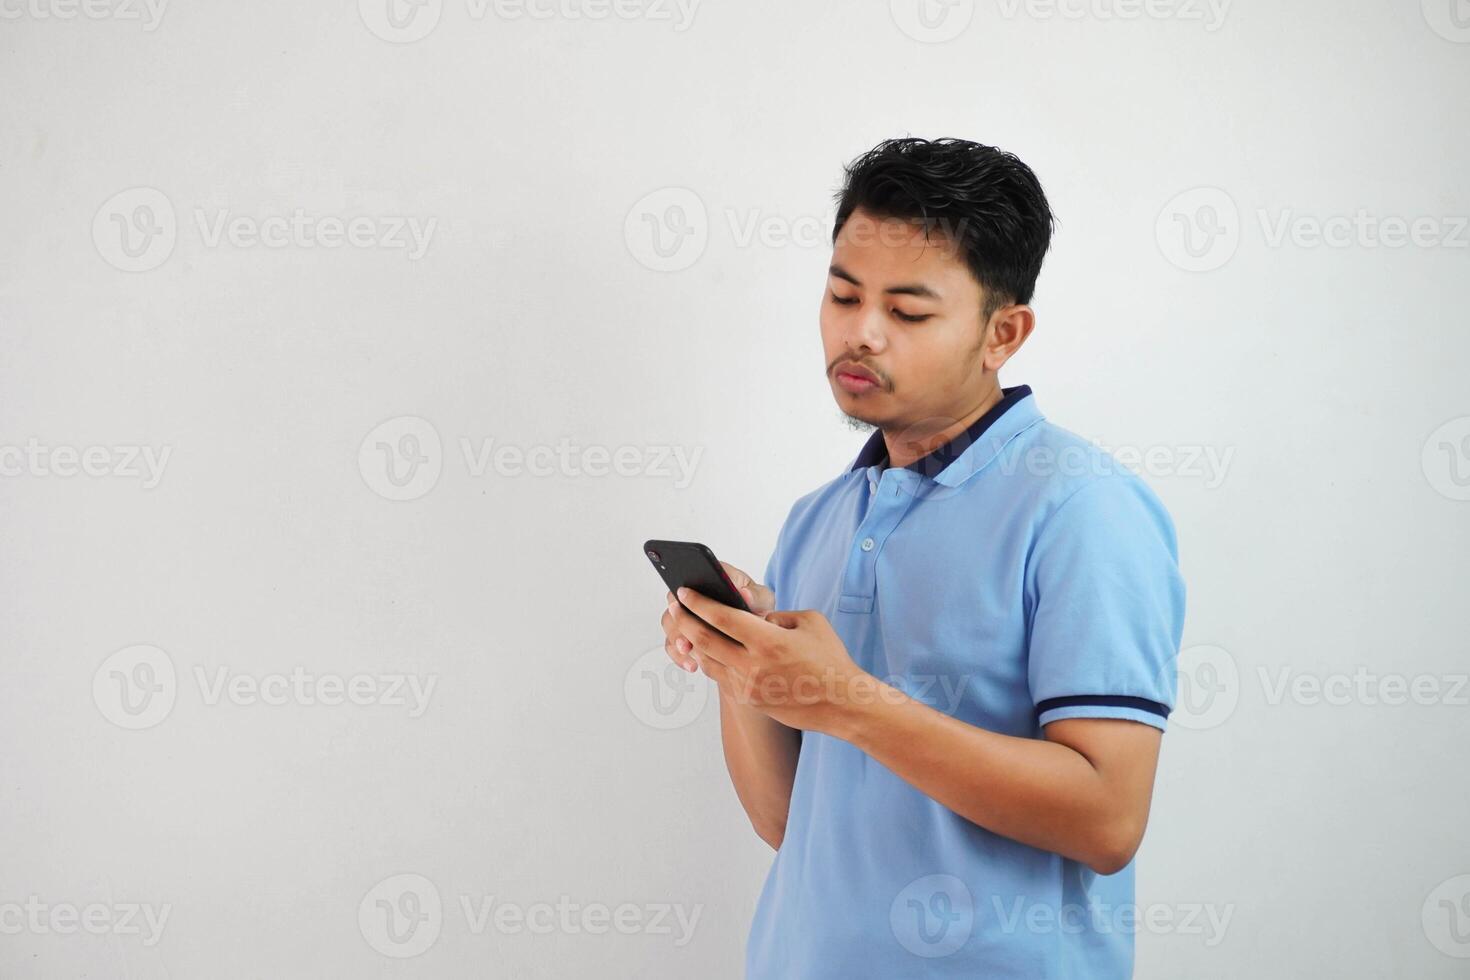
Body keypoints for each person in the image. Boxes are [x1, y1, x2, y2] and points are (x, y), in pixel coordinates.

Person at [660, 136, 1186, 978]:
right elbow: (789, 822)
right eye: (841, 294)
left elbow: (1108, 820)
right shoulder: (818, 518)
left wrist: (845, 701)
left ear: (1002, 333)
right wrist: (742, 664)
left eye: (907, 312)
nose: (860, 332)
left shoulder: (1083, 509)